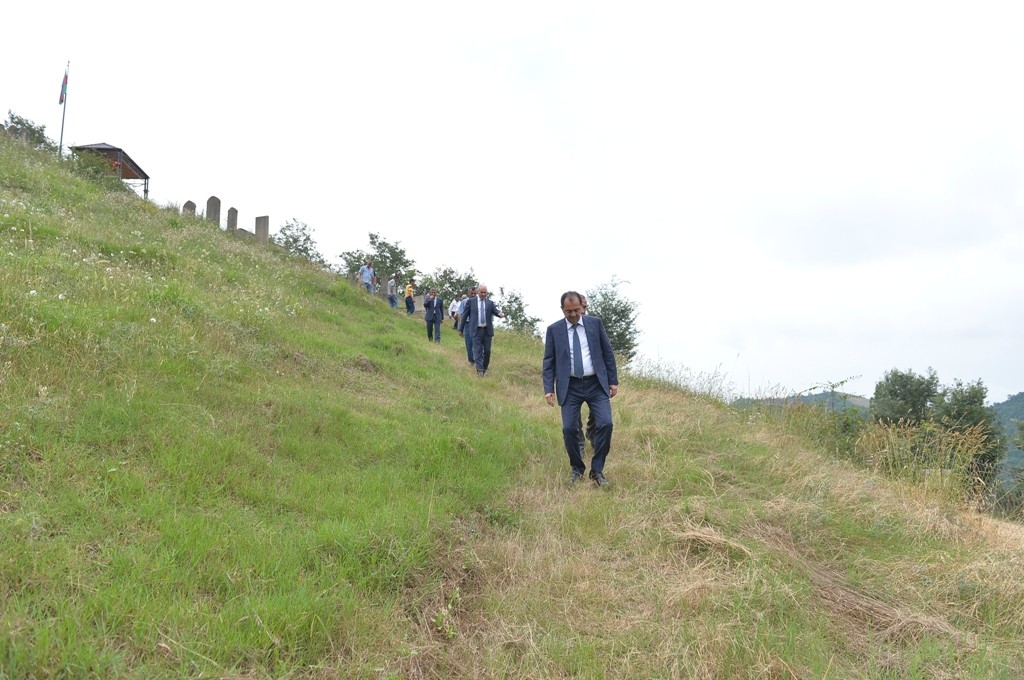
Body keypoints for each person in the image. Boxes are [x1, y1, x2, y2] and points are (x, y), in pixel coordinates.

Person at [542, 291, 619, 487]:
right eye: (569, 311)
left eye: (577, 310)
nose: (574, 314)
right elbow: (549, 361)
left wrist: (612, 380)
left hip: (596, 384)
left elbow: (607, 352)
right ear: (562, 310)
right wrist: (548, 388)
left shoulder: (595, 324)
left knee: (605, 424)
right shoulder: (554, 330)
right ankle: (577, 469)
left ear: (582, 307)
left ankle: (597, 470)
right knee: (569, 429)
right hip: (570, 386)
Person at [458, 284, 503, 376]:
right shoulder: (471, 302)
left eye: (485, 293)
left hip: (487, 331)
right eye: (481, 292)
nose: (483, 294)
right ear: (478, 292)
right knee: (477, 350)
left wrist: (500, 313)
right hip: (476, 330)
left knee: (487, 351)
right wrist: (461, 329)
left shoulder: (490, 303)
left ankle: (485, 368)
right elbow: (465, 315)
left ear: (487, 293)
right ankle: (480, 371)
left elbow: (495, 311)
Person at [577, 294, 596, 458]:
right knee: (573, 418)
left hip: (594, 379)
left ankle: (591, 431)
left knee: (598, 413)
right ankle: (579, 445)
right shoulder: (565, 327)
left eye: (585, 307)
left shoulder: (594, 324)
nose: (583, 310)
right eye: (580, 307)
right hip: (573, 380)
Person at [456, 287, 477, 365]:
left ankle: (477, 360)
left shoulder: (479, 302)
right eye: (472, 293)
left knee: (477, 343)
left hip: (476, 324)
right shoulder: (464, 302)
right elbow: (460, 314)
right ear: (469, 293)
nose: (473, 295)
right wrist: (461, 327)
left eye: (475, 293)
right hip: (467, 324)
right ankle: (471, 360)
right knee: (469, 343)